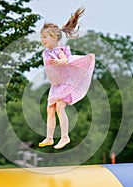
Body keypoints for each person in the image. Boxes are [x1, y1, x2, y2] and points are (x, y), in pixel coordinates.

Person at [38, 7, 95, 149]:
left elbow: (64, 59)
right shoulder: (47, 52)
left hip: (66, 83)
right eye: (41, 37)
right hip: (56, 86)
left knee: (59, 108)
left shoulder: (59, 50)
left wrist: (59, 62)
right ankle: (49, 137)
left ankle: (65, 137)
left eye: (45, 37)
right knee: (50, 110)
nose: (42, 40)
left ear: (54, 38)